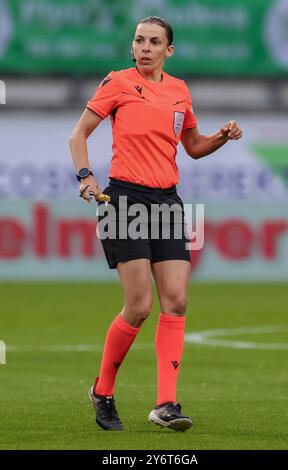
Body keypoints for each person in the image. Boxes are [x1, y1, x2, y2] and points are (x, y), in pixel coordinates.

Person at [69, 16, 242, 432]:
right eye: (139, 40)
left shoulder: (180, 91)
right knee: (140, 306)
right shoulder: (118, 82)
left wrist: (221, 136)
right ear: (132, 47)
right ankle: (103, 391)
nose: (144, 47)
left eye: (154, 42)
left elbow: (194, 148)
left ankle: (166, 404)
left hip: (167, 201)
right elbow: (79, 136)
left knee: (177, 301)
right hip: (123, 199)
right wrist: (85, 177)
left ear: (170, 50)